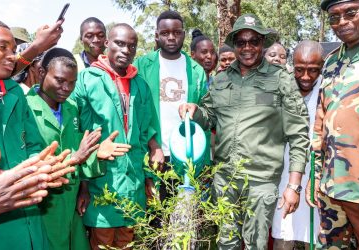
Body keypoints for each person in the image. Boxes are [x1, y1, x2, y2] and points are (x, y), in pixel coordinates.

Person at [179, 14, 310, 249]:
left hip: (261, 180)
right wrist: (194, 111)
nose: (247, 47)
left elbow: (299, 134)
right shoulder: (221, 80)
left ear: (262, 43)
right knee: (226, 243)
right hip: (225, 178)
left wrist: (293, 186)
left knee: (255, 244)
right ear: (234, 45)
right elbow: (209, 117)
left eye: (254, 41)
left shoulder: (281, 79)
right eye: (241, 42)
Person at [0, 16, 76, 249]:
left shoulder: (13, 93)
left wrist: (40, 166)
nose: (12, 55)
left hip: (30, 223)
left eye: (14, 49)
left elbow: (34, 144)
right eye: (2, 46)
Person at [308, 0, 359, 249]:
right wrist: (315, 175)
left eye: (350, 13)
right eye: (334, 17)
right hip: (332, 190)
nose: (342, 22)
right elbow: (321, 122)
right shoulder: (331, 61)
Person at [71, 23, 155, 249]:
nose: (125, 50)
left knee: (128, 242)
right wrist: (83, 186)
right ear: (107, 44)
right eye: (119, 43)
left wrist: (149, 177)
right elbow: (77, 132)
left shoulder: (141, 85)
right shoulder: (87, 79)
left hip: (133, 184)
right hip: (102, 182)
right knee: (102, 242)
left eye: (132, 46)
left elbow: (145, 134)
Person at [26, 47, 102, 250]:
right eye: (60, 80)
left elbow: (80, 146)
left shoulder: (71, 108)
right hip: (43, 204)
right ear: (41, 73)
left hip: (71, 198)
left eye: (72, 83)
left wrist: (84, 188)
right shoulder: (25, 109)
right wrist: (76, 158)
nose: (66, 88)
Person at [133, 11, 209, 191]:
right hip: (153, 154)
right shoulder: (141, 66)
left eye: (177, 32)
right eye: (165, 33)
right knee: (155, 216)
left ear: (183, 34)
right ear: (157, 35)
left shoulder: (196, 70)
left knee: (185, 216)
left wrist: (196, 109)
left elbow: (207, 113)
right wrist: (154, 145)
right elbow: (136, 112)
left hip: (186, 156)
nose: (171, 37)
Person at [272, 40, 324, 250]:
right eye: (299, 69)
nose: (305, 77)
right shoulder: (281, 88)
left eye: (313, 71)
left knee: (318, 237)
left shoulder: (329, 89)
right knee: (283, 234)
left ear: (321, 67)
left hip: (318, 175)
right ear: (292, 65)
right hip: (284, 174)